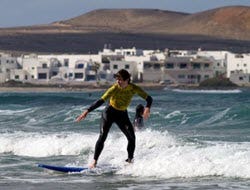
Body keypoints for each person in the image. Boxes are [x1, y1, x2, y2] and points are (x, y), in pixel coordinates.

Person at [76, 69, 153, 168]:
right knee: (103, 136)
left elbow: (149, 99)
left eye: (120, 79)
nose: (118, 81)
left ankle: (130, 161)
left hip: (122, 114)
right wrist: (87, 110)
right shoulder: (114, 88)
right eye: (117, 79)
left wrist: (147, 108)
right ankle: (94, 162)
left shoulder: (134, 88)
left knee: (132, 138)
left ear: (127, 80)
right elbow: (101, 100)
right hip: (109, 113)